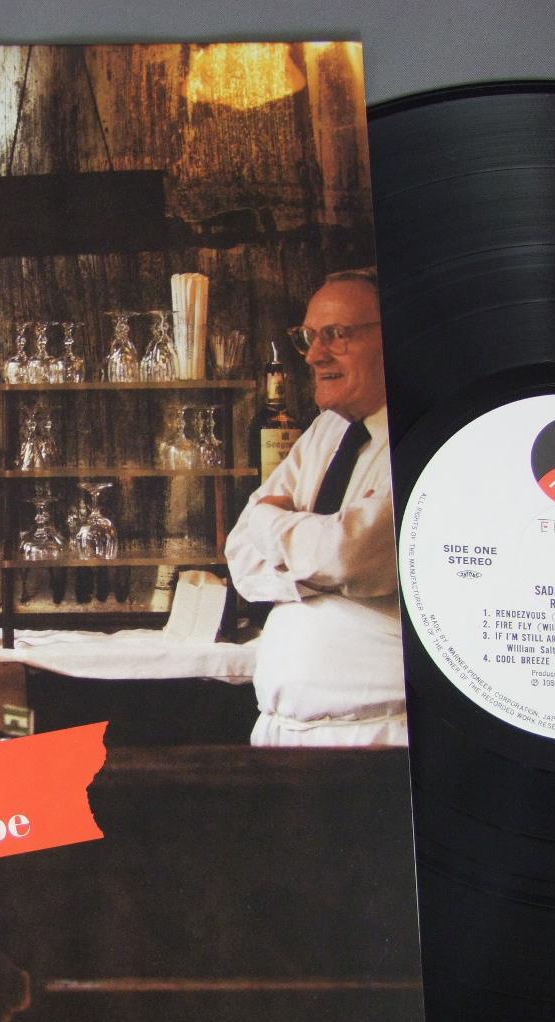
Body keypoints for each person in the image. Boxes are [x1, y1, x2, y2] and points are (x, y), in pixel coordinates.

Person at [224, 269, 406, 747]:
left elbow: (351, 552)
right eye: (309, 336)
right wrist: (317, 564)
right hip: (282, 733)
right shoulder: (327, 430)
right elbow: (240, 556)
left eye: (337, 335)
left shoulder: (428, 437)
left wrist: (271, 522)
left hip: (381, 738)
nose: (313, 355)